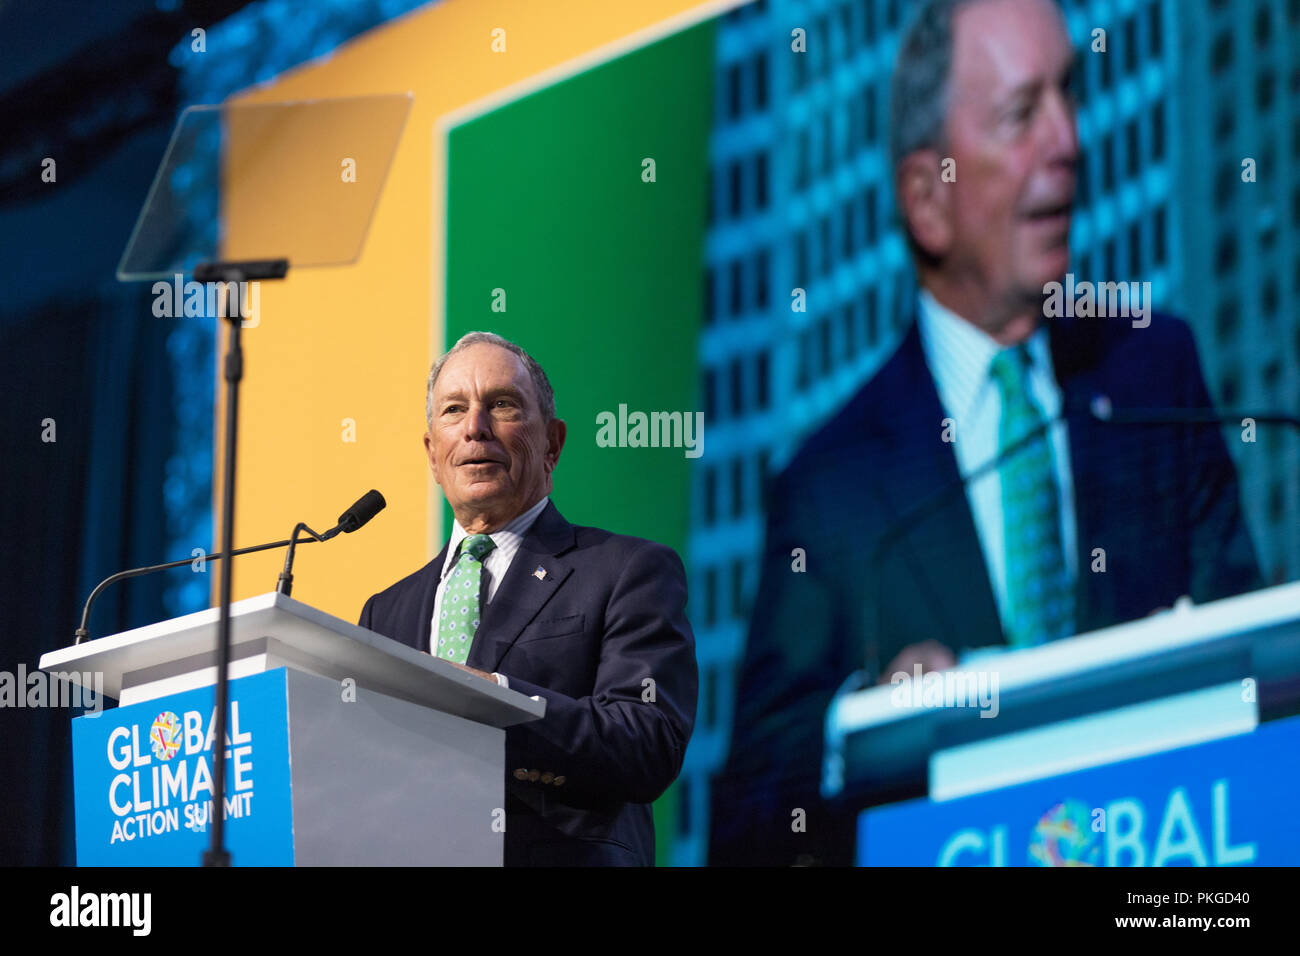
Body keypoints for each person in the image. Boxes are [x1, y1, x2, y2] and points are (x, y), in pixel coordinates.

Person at [709, 0, 1260, 866]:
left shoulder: (1157, 376)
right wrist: (870, 714)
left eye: (1069, 95)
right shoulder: (830, 487)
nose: (1068, 141)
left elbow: (1256, 673)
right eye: (1021, 114)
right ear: (927, 200)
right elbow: (750, 815)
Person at [360, 331, 697, 866]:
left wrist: (495, 698)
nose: (475, 427)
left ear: (552, 445)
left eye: (502, 405)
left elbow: (647, 742)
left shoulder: (627, 570)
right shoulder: (385, 612)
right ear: (432, 454)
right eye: (454, 410)